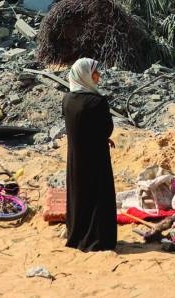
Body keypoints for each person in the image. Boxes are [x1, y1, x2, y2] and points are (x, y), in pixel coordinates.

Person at [62, 57, 117, 252]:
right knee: (98, 197)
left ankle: (76, 235)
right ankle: (98, 240)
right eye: (95, 72)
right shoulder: (97, 102)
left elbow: (80, 129)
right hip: (96, 158)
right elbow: (106, 129)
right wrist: (104, 137)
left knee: (79, 196)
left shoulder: (67, 100)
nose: (98, 76)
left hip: (76, 159)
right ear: (86, 75)